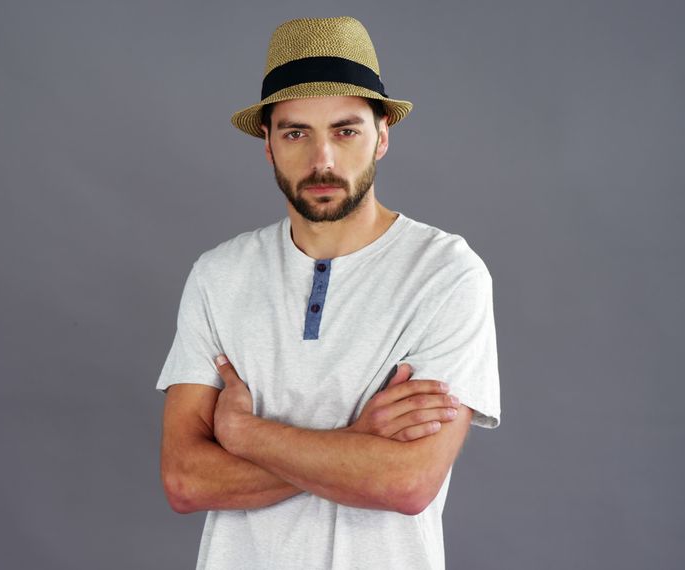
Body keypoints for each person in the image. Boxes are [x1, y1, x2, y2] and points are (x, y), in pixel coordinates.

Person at [155, 16, 501, 570]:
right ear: (266, 143)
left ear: (382, 135)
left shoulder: (446, 274)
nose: (323, 160)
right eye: (296, 132)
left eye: (345, 130)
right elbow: (186, 480)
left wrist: (242, 432)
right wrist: (355, 442)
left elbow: (406, 481)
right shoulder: (218, 275)